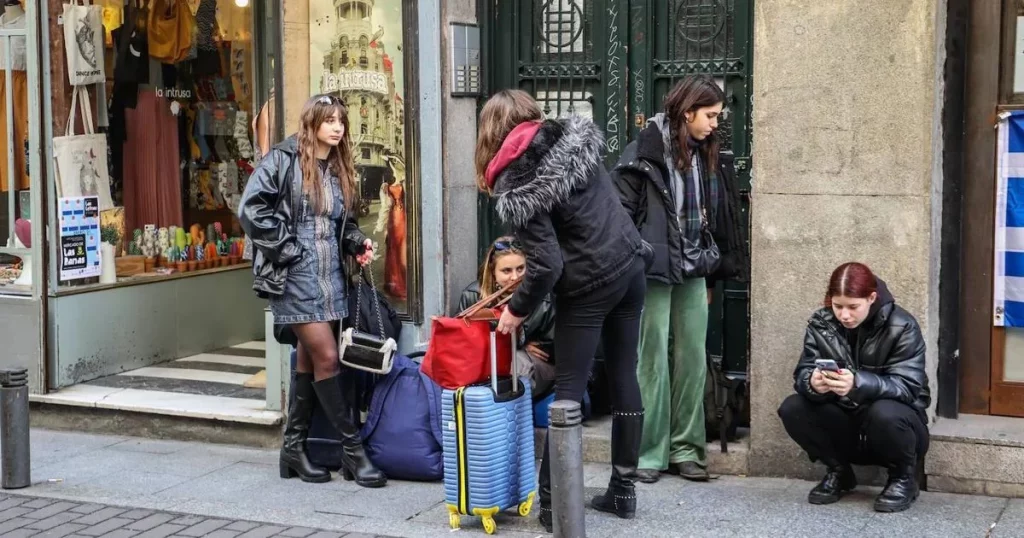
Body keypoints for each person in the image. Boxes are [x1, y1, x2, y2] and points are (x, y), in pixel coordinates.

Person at [476, 89, 651, 531]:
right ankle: (623, 492)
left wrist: (516, 309)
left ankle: (554, 504)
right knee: (624, 374)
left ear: (491, 133)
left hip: (589, 285)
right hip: (629, 264)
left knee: (568, 391)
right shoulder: (569, 138)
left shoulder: (516, 181)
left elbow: (547, 265)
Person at [238, 94, 386, 488]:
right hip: (294, 276)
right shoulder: (282, 160)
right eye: (329, 120)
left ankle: (293, 450)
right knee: (328, 358)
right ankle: (353, 452)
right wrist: (288, 249)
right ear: (312, 123)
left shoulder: (338, 167)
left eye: (341, 120)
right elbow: (251, 209)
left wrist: (356, 242)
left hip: (330, 276)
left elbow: (343, 222)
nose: (337, 127)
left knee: (308, 359)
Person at [613, 75, 739, 483]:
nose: (715, 124)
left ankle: (687, 450)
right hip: (653, 271)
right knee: (652, 361)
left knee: (692, 359)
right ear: (687, 112)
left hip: (694, 268)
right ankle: (650, 453)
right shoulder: (644, 152)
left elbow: (718, 218)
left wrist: (712, 277)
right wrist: (639, 257)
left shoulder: (710, 154)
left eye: (718, 116)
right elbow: (620, 216)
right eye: (710, 115)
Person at [777, 262, 930, 513]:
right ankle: (839, 471)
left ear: (871, 298)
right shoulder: (822, 322)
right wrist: (812, 383)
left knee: (884, 412)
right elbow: (803, 371)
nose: (844, 315)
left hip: (897, 427)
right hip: (847, 421)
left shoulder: (902, 325)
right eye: (838, 306)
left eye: (853, 307)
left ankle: (903, 478)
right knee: (792, 407)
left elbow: (909, 387)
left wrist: (857, 383)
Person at [458, 235, 557, 400]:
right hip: (487, 362)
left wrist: (520, 347)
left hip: (537, 368)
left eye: (521, 268)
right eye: (506, 271)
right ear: (492, 271)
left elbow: (551, 349)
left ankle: (511, 413)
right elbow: (463, 342)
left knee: (515, 365)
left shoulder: (543, 299)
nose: (515, 277)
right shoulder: (473, 296)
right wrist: (519, 345)